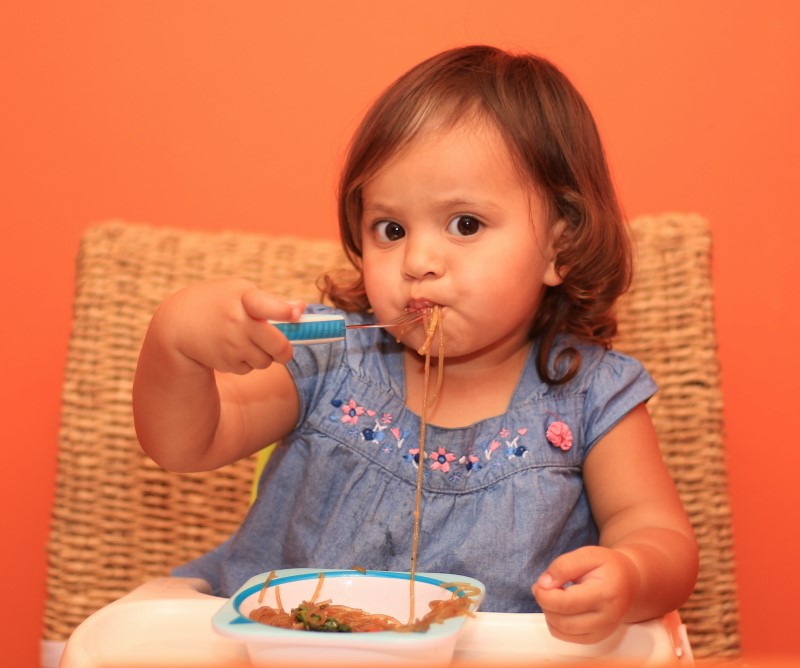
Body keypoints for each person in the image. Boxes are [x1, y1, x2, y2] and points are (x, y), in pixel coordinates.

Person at [133, 44, 698, 644]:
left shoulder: (589, 398)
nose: (418, 261)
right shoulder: (331, 362)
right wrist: (176, 343)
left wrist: (631, 574)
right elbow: (184, 444)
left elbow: (661, 537)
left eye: (465, 225)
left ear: (559, 245)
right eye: (391, 229)